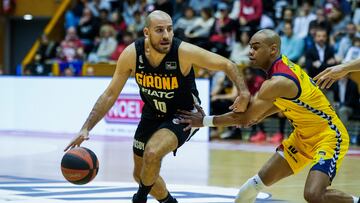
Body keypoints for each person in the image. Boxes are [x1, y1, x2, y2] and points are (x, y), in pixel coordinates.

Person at [64, 10, 250, 203]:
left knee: (152, 153)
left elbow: (228, 64)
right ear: (146, 32)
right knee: (140, 174)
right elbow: (110, 94)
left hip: (184, 115)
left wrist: (243, 92)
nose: (167, 35)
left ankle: (139, 199)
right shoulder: (132, 54)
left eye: (170, 29)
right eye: (160, 30)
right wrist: (86, 127)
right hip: (152, 113)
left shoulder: (182, 52)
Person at [178, 29, 359, 203]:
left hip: (329, 136)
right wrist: (258, 115)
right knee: (251, 187)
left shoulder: (278, 81)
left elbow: (243, 118)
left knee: (313, 195)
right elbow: (281, 103)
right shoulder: (282, 68)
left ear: (273, 50)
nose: (250, 52)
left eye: (256, 47)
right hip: (301, 138)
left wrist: (203, 121)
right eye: (250, 46)